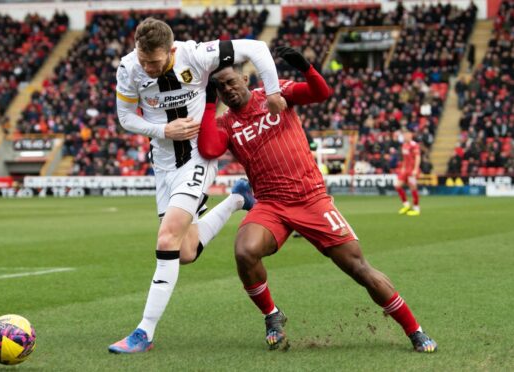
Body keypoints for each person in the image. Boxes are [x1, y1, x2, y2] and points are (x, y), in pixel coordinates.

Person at [198, 47, 437, 353]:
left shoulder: (275, 93)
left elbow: (320, 92)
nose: (228, 89)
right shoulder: (227, 124)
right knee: (245, 251)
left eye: (231, 82)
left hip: (312, 200)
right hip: (271, 204)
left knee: (359, 268)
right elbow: (208, 149)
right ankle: (272, 316)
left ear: (246, 78)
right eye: (220, 86)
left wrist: (306, 67)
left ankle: (414, 330)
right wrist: (207, 101)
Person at [108, 17, 285, 354]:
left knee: (166, 238)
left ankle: (144, 332)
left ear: (171, 50)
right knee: (185, 251)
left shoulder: (197, 55)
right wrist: (162, 131)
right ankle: (237, 198)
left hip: (196, 159)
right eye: (143, 59)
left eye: (155, 62)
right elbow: (125, 117)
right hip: (162, 166)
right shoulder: (129, 68)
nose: (148, 67)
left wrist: (273, 91)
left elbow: (258, 48)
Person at [395, 129, 421, 216]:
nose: (405, 136)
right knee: (397, 185)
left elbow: (417, 157)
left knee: (413, 187)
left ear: (411, 135)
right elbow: (405, 158)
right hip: (405, 170)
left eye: (407, 134)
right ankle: (406, 205)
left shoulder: (414, 145)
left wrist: (415, 169)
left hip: (412, 170)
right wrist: (403, 167)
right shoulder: (404, 145)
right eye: (404, 135)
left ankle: (416, 209)